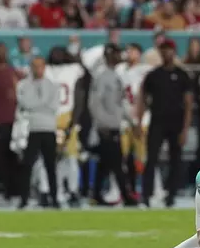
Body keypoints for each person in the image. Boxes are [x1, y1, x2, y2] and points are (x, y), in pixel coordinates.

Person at [137, 39, 193, 208]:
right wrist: (139, 121)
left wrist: (185, 129)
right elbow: (143, 99)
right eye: (163, 50)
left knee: (175, 159)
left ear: (174, 52)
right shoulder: (153, 75)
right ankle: (146, 195)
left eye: (169, 50)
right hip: (157, 121)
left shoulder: (183, 75)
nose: (166, 53)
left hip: (176, 122)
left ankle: (171, 194)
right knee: (151, 158)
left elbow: (188, 104)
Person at [88, 43, 138, 206]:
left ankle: (95, 194)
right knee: (117, 163)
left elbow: (119, 103)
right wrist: (102, 125)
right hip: (107, 127)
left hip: (114, 125)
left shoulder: (116, 76)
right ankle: (127, 196)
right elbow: (95, 103)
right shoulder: (102, 76)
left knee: (106, 163)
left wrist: (131, 122)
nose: (119, 57)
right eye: (116, 54)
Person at [43, 47, 85, 206]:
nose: (56, 55)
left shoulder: (73, 70)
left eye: (60, 53)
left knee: (71, 156)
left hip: (67, 114)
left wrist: (74, 120)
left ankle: (73, 189)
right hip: (49, 115)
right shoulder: (46, 70)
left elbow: (79, 96)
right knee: (48, 157)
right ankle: (49, 190)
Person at [16, 57, 59, 209]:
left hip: (48, 128)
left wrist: (35, 106)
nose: (37, 69)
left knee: (50, 166)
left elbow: (53, 105)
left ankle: (54, 197)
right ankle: (24, 198)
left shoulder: (52, 85)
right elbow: (25, 103)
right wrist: (40, 105)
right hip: (32, 129)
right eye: (35, 66)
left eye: (40, 66)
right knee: (27, 165)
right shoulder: (24, 85)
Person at [115, 43, 155, 196]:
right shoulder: (120, 70)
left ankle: (151, 189)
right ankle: (121, 189)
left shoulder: (145, 70)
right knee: (120, 157)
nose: (128, 53)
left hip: (142, 119)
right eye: (127, 50)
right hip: (124, 119)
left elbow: (147, 96)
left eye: (132, 50)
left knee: (144, 158)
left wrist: (139, 118)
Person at [0, 43, 18, 200]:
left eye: (3, 51)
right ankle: (0, 187)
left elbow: (17, 92)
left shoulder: (11, 72)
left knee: (11, 155)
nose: (2, 54)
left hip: (12, 120)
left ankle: (12, 189)